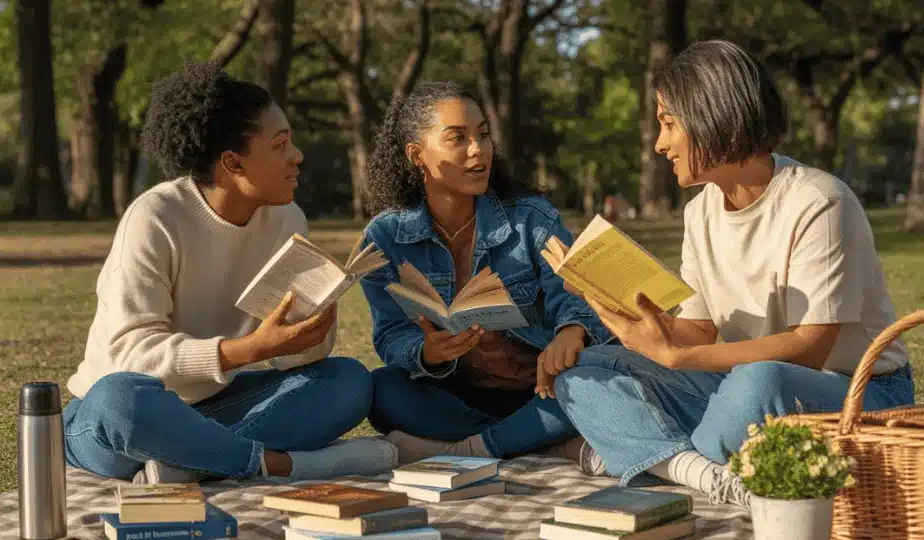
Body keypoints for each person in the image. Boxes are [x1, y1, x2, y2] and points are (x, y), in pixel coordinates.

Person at [553, 40, 914, 507]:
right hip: (746, 390)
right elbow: (699, 331)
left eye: (668, 123)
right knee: (586, 373)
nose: (660, 143)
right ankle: (698, 468)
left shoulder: (819, 201)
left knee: (758, 382)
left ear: (713, 113)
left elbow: (809, 349)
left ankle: (649, 453)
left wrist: (678, 360)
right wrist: (618, 308)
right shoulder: (700, 212)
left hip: (854, 392)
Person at [62, 62, 396, 484]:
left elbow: (291, 358)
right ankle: (282, 465)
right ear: (233, 163)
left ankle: (187, 464)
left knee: (347, 381)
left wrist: (307, 333)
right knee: (119, 399)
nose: (297, 156)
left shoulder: (287, 219)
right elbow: (128, 358)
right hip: (115, 419)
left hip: (215, 407)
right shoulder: (155, 217)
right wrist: (247, 349)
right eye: (280, 145)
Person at [359, 81, 613, 464]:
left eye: (483, 135)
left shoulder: (532, 219)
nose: (478, 149)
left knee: (596, 380)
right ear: (417, 156)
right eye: (457, 138)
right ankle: (539, 443)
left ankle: (473, 449)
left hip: (547, 390)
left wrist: (571, 332)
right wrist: (426, 352)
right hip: (461, 397)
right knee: (380, 390)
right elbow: (392, 334)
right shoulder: (384, 238)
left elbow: (572, 295)